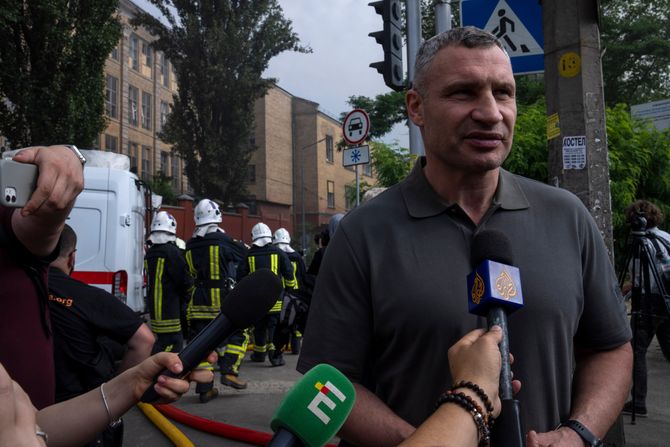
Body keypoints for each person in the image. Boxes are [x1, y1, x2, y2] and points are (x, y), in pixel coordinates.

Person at [298, 27, 632, 447]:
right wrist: (430, 441)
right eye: (463, 93)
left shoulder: (568, 217)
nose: (491, 113)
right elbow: (326, 383)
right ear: (416, 107)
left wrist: (578, 433)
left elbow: (610, 348)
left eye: (503, 93)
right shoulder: (362, 234)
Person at [0, 145, 215, 446]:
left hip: (163, 316)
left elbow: (34, 429)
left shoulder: (162, 252)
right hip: (179, 316)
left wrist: (131, 385)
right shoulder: (174, 255)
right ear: (73, 258)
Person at [48, 224, 155, 446]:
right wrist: (115, 393)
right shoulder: (86, 296)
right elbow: (144, 340)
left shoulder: (17, 290)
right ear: (72, 258)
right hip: (83, 413)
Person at [185, 199, 248, 400]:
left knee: (202, 344)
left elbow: (190, 272)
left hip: (197, 303)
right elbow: (244, 256)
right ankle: (229, 371)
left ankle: (205, 389)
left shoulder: (190, 244)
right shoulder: (224, 240)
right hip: (221, 302)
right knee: (240, 333)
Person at [622, 200, 670, 416]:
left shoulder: (641, 243)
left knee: (636, 350)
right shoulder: (666, 237)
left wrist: (626, 288)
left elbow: (639, 278)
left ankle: (639, 402)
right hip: (667, 298)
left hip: (649, 301)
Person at [237, 222, 296, 366]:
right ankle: (275, 357)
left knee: (259, 327)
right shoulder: (279, 252)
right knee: (274, 328)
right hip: (276, 299)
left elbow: (240, 276)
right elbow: (289, 272)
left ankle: (259, 355)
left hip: (257, 301)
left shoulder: (249, 254)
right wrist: (289, 290)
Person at [145, 211, 193, 354]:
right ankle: (156, 366)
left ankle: (153, 365)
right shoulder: (172, 252)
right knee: (174, 343)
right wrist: (190, 291)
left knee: (163, 341)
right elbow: (183, 279)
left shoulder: (150, 253)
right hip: (169, 307)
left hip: (155, 307)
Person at [270, 228, 310, 363]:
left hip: (281, 293)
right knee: (295, 322)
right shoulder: (297, 257)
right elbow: (303, 276)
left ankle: (277, 352)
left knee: (283, 323)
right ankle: (296, 348)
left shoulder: (276, 255)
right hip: (296, 293)